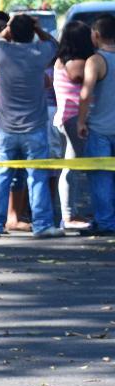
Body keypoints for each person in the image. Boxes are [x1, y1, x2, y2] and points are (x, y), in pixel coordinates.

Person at [0, 15, 64, 239]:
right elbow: (55, 45)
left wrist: (9, 27)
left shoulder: (2, 52)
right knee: (37, 177)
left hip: (5, 127)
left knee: (1, 177)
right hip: (35, 127)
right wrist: (39, 29)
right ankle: (43, 224)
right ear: (33, 32)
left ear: (12, 33)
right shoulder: (39, 53)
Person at [52, 21, 95, 231]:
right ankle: (68, 216)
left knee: (73, 167)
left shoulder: (64, 59)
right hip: (72, 119)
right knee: (71, 168)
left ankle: (71, 212)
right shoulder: (73, 62)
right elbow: (80, 77)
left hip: (68, 118)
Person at [77, 13, 115, 235]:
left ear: (97, 35)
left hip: (100, 129)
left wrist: (81, 121)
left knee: (101, 178)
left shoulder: (95, 61)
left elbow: (85, 94)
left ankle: (106, 222)